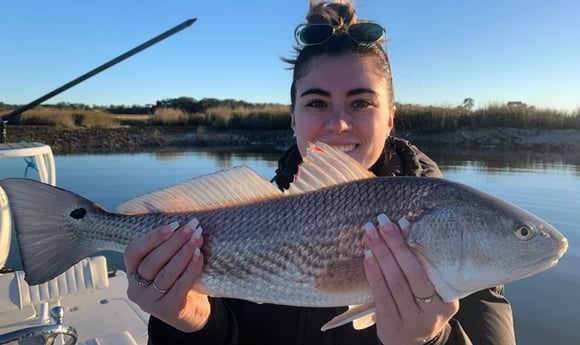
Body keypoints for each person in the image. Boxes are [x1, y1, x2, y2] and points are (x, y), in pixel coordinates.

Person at [124, 1, 516, 344]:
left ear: (390, 118)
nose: (338, 124)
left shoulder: (461, 227)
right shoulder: (238, 217)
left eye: (361, 102)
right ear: (293, 118)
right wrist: (190, 324)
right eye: (316, 102)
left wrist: (430, 342)